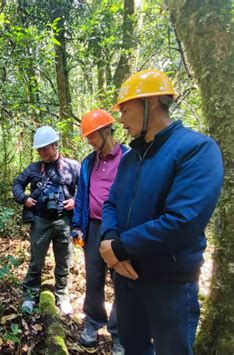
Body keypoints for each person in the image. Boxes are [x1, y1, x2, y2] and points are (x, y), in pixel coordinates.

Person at [99, 69, 223, 354]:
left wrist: (118, 248)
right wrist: (110, 240)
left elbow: (182, 221)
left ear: (150, 103)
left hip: (171, 286)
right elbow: (112, 203)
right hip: (128, 280)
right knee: (134, 348)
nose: (120, 119)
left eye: (125, 109)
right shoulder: (131, 158)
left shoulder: (196, 149)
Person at [71, 109, 128, 353]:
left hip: (119, 230)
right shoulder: (88, 162)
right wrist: (77, 225)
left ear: (106, 132)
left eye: (92, 136)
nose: (89, 141)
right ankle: (92, 324)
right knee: (93, 279)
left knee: (122, 281)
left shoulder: (129, 157)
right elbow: (81, 195)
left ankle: (120, 334)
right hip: (93, 227)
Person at [12, 126, 80, 315]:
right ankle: (29, 295)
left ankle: (62, 295)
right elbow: (17, 183)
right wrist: (24, 199)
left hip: (64, 221)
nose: (42, 153)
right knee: (36, 260)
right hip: (40, 221)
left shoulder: (72, 166)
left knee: (64, 260)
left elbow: (85, 188)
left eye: (45, 148)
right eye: (39, 150)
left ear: (55, 145)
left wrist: (75, 201)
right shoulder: (34, 169)